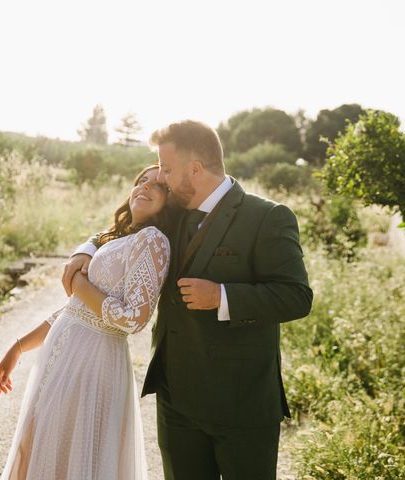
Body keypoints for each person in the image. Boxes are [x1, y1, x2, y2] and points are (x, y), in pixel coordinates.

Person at [63, 120, 313, 480]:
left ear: (195, 170)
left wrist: (222, 296)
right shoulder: (175, 211)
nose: (161, 177)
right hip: (176, 401)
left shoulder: (268, 217)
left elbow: (297, 296)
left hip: (242, 404)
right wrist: (86, 250)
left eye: (166, 168)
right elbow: (123, 229)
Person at [0, 165, 177, 480]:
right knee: (42, 450)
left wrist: (79, 283)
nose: (145, 187)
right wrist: (19, 347)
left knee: (75, 459)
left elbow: (133, 318)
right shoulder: (117, 238)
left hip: (94, 365)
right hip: (62, 360)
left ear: (169, 202)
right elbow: (76, 309)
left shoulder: (153, 240)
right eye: (141, 181)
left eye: (158, 186)